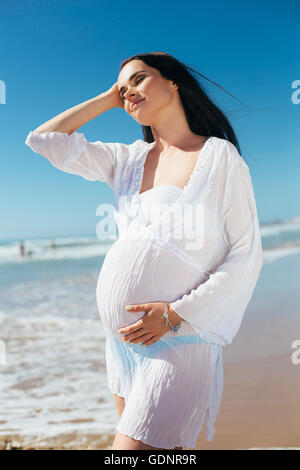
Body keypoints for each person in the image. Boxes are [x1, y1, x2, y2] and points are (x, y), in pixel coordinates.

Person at [25, 52, 263, 451]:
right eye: (123, 88)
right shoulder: (128, 159)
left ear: (173, 83)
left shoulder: (218, 157)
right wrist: (107, 98)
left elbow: (245, 253)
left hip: (179, 338)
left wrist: (173, 314)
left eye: (139, 80)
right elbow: (44, 141)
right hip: (121, 345)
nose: (129, 92)